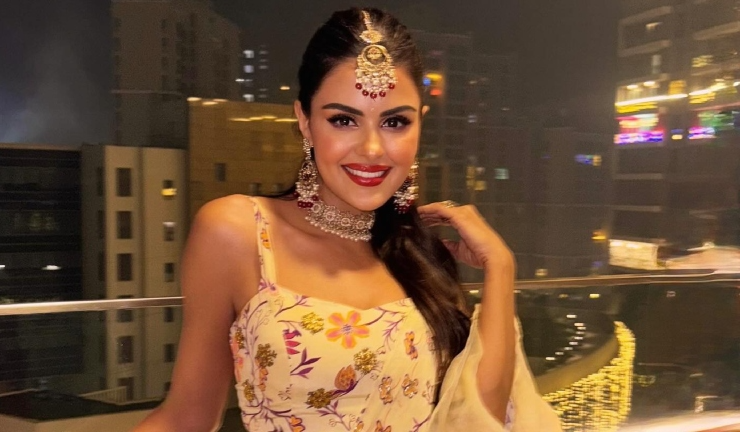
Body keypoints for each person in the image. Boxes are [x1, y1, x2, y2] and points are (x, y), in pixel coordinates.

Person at [134, 7, 561, 432]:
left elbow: (479, 417)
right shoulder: (239, 231)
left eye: (395, 122)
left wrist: (501, 266)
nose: (372, 149)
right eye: (343, 120)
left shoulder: (420, 255)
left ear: (420, 125)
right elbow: (186, 418)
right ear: (304, 121)